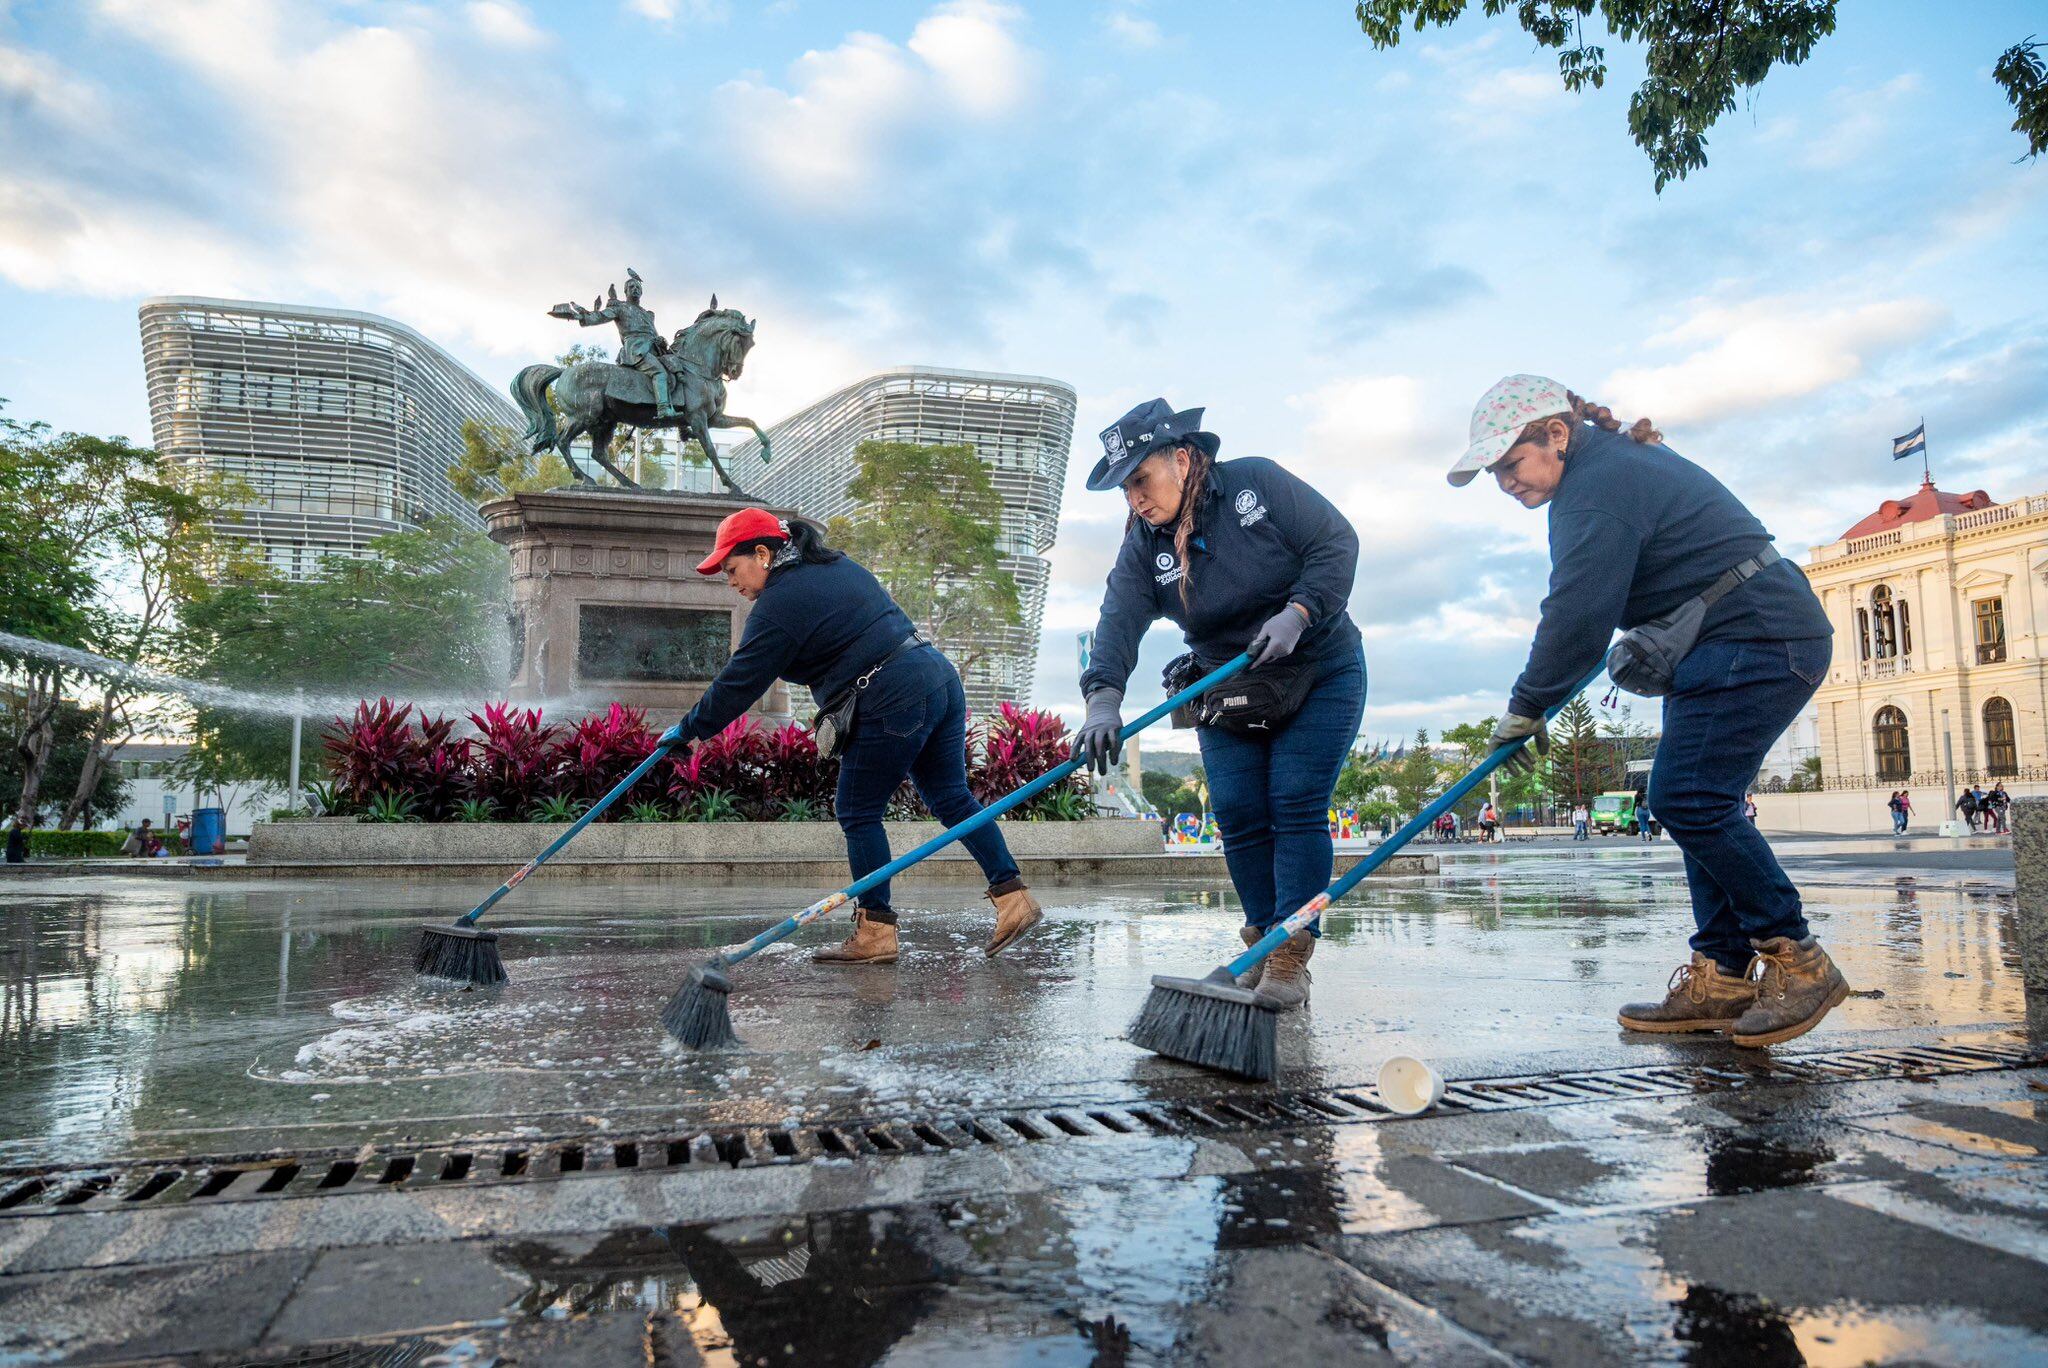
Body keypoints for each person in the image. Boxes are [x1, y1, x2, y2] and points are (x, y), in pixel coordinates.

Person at [1448, 375, 1846, 1048]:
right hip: (1732, 641)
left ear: (1555, 434)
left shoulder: (1597, 488)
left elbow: (1578, 612)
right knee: (1698, 801)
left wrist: (1526, 707)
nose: (1505, 482)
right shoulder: (1605, 471)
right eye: (1494, 474)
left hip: (1759, 636)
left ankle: (1800, 961)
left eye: (1510, 464)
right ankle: (1722, 975)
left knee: (1689, 797)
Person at [1077, 398, 1363, 1011]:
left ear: (1181, 459)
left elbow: (1336, 541)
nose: (1136, 500)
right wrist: (1103, 698)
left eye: (1140, 481)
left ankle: (1290, 955)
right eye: (1125, 490)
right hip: (1227, 683)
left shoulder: (1256, 483)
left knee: (1295, 799)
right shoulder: (1144, 543)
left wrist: (1301, 609)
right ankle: (1261, 943)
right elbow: (1118, 618)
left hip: (1317, 667)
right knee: (1236, 811)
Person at [673, 508, 1041, 965]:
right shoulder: (834, 565)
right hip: (936, 676)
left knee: (857, 809)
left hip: (892, 694)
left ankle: (875, 932)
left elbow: (739, 682)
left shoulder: (780, 604)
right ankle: (1013, 897)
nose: (731, 582)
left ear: (763, 554)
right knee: (951, 797)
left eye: (732, 569)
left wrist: (688, 731)